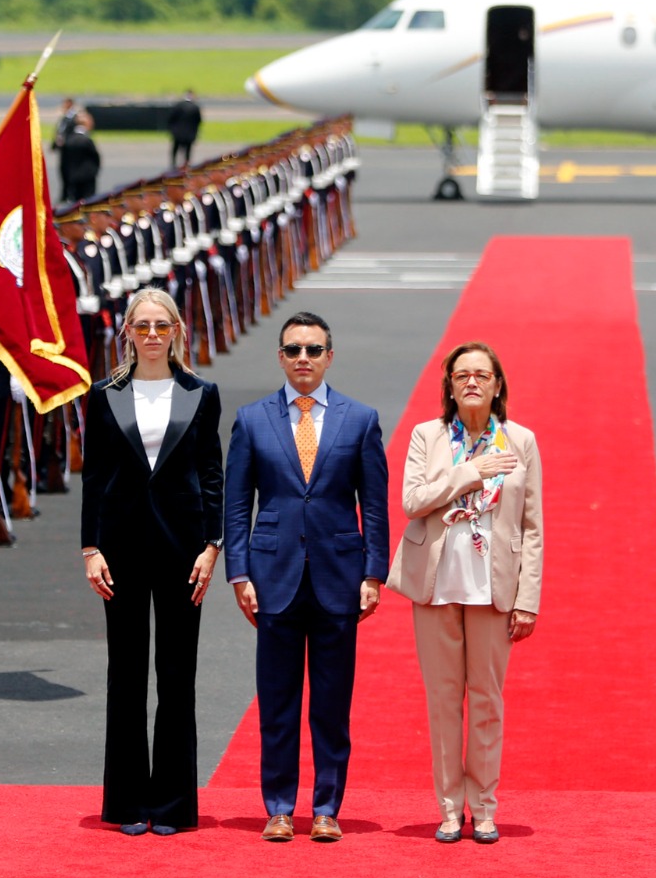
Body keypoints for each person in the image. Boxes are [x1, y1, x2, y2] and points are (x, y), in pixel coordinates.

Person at [224, 311, 389, 843]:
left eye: (313, 350)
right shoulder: (251, 420)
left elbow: (376, 506)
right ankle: (277, 806)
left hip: (340, 578)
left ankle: (326, 807)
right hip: (273, 578)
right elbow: (235, 505)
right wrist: (239, 572)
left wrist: (374, 573)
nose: (303, 358)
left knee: (331, 704)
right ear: (280, 357)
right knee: (277, 703)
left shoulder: (360, 420)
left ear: (329, 357)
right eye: (293, 349)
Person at [387, 342, 544, 845]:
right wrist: (468, 474)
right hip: (437, 584)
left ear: (498, 385)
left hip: (494, 586)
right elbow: (413, 500)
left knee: (487, 701)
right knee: (443, 701)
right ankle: (450, 808)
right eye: (461, 376)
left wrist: (527, 597)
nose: (471, 382)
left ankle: (484, 806)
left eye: (481, 375)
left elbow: (533, 527)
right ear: (449, 386)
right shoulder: (426, 436)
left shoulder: (520, 441)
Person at [81, 289, 223, 835]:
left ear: (178, 331)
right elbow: (94, 476)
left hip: (184, 552)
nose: (153, 334)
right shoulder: (105, 394)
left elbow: (212, 474)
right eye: (142, 326)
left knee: (177, 676)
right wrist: (90, 549)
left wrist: (213, 546)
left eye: (162, 325)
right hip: (120, 550)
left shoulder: (200, 393)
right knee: (126, 675)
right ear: (127, 334)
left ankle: (171, 805)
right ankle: (124, 803)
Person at [60, 113, 100, 203]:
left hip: (72, 177)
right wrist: (94, 171)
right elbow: (95, 158)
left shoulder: (69, 140)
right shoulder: (87, 141)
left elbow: (63, 162)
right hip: (88, 178)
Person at [168, 90, 202, 169]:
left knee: (175, 149)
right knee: (188, 150)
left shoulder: (178, 105)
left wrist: (172, 130)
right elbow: (198, 121)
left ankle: (173, 164)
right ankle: (187, 164)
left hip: (178, 133)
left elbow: (171, 118)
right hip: (189, 133)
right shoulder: (195, 107)